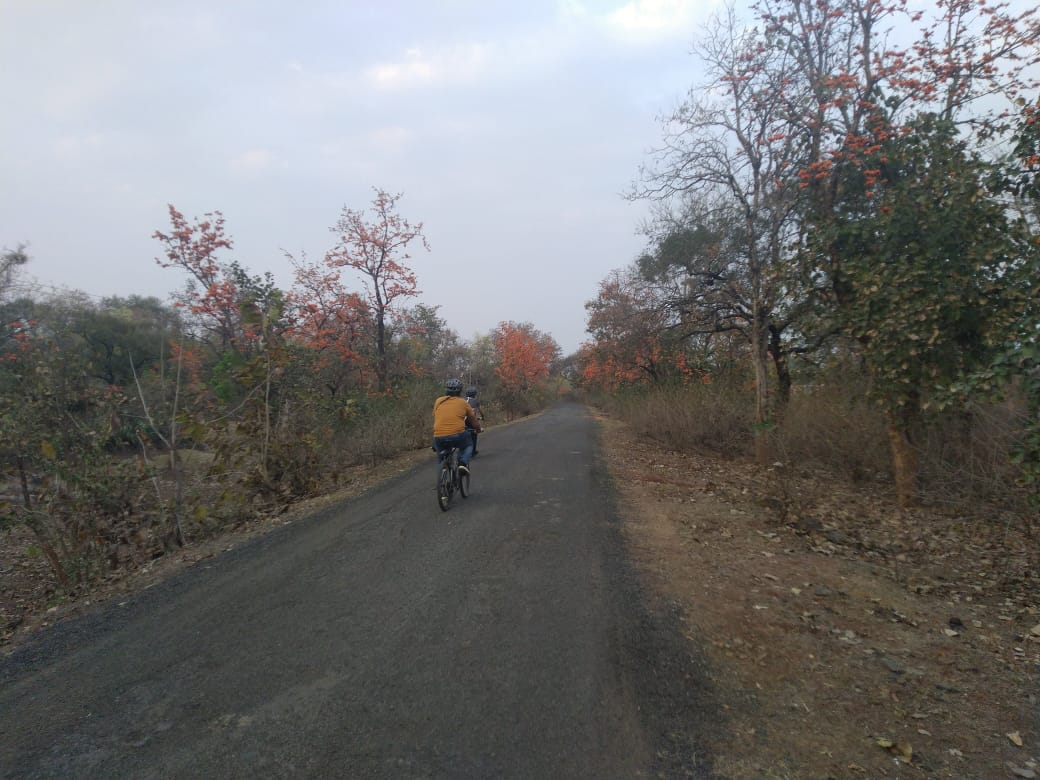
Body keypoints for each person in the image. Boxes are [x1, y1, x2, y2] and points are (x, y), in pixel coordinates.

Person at [433, 378, 481, 474]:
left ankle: (443, 470)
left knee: (441, 452)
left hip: (438, 436)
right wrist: (478, 429)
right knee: (468, 444)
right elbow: (473, 420)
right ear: (460, 391)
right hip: (458, 434)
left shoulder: (438, 401)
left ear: (446, 390)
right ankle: (462, 463)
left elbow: (435, 414)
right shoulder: (463, 402)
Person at [464, 386, 484, 456]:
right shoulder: (476, 400)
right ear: (475, 394)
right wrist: (482, 416)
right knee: (474, 433)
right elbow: (480, 410)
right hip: (471, 420)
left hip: (462, 420)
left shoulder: (463, 400)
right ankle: (473, 451)